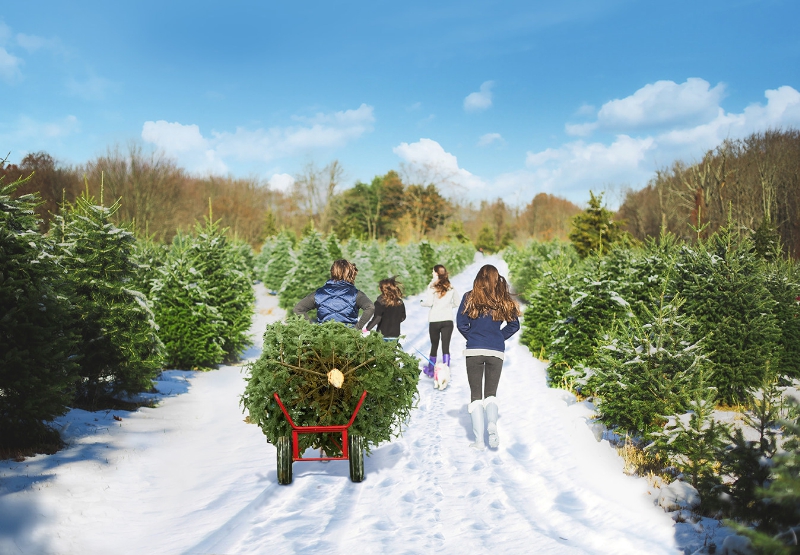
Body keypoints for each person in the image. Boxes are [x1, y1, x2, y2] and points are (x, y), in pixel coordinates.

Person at [456, 264, 520, 450]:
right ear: (496, 278)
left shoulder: (469, 296)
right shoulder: (502, 298)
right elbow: (514, 325)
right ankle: (492, 424)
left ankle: (478, 442)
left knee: (476, 395)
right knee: (491, 393)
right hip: (496, 351)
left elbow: (461, 323)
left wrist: (474, 338)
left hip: (474, 351)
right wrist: (499, 337)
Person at [293, 259, 375, 329]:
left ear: (332, 272)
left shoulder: (318, 294)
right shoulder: (356, 294)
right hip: (349, 341)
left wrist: (312, 329)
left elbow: (298, 309)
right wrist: (357, 328)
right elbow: (370, 307)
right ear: (351, 273)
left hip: (323, 340)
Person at [419, 264, 459, 377]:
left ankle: (431, 370)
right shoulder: (451, 286)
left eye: (433, 271)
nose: (432, 273)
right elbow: (457, 302)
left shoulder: (432, 286)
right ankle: (445, 370)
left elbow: (429, 303)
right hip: (447, 320)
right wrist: (447, 306)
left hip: (435, 320)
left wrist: (421, 302)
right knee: (446, 346)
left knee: (434, 345)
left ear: (436, 273)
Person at [366, 277, 406, 342]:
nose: (379, 288)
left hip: (382, 335)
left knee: (381, 352)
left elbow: (377, 318)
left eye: (380, 287)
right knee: (391, 351)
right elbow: (403, 317)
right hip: (395, 334)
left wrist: (367, 329)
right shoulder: (399, 302)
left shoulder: (379, 302)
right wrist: (394, 322)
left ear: (384, 289)